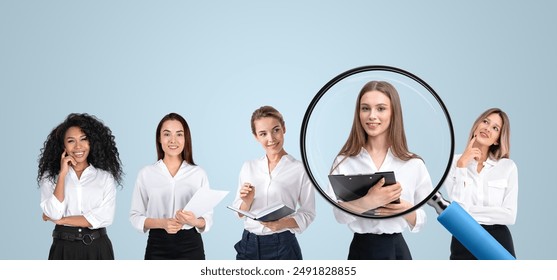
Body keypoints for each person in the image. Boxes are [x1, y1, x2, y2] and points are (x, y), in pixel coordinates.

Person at [327, 81, 433, 260]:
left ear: (393, 113)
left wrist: (406, 210)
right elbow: (339, 215)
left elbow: (421, 221)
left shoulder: (413, 164)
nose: (372, 116)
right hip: (361, 250)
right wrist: (368, 201)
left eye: (381, 109)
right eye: (365, 108)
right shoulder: (344, 161)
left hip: (397, 250)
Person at [232, 105, 316, 260]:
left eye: (276, 130)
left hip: (282, 246)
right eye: (263, 134)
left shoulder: (300, 169)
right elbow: (239, 212)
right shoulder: (248, 166)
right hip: (248, 245)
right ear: (256, 136)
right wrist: (247, 201)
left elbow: (309, 213)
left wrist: (283, 224)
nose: (271, 139)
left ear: (284, 128)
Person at [38, 113, 124, 260]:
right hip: (63, 247)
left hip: (98, 247)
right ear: (63, 146)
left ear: (91, 142)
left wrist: (61, 220)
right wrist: (63, 174)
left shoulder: (104, 177)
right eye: (71, 141)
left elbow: (105, 217)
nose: (78, 146)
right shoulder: (51, 177)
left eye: (84, 139)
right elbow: (54, 212)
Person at [130, 112, 211, 260]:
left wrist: (193, 221)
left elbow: (207, 219)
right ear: (159, 139)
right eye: (167, 134)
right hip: (157, 244)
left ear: (186, 139)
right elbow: (135, 216)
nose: (173, 140)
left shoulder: (198, 173)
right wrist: (162, 223)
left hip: (191, 244)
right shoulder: (146, 173)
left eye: (179, 134)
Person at [443, 108, 517, 259]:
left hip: (497, 241)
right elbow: (458, 208)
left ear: (497, 139)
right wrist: (462, 165)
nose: (487, 128)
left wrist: (467, 213)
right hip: (463, 237)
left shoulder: (508, 167)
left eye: (495, 128)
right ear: (476, 125)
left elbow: (509, 216)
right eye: (485, 122)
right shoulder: (454, 163)